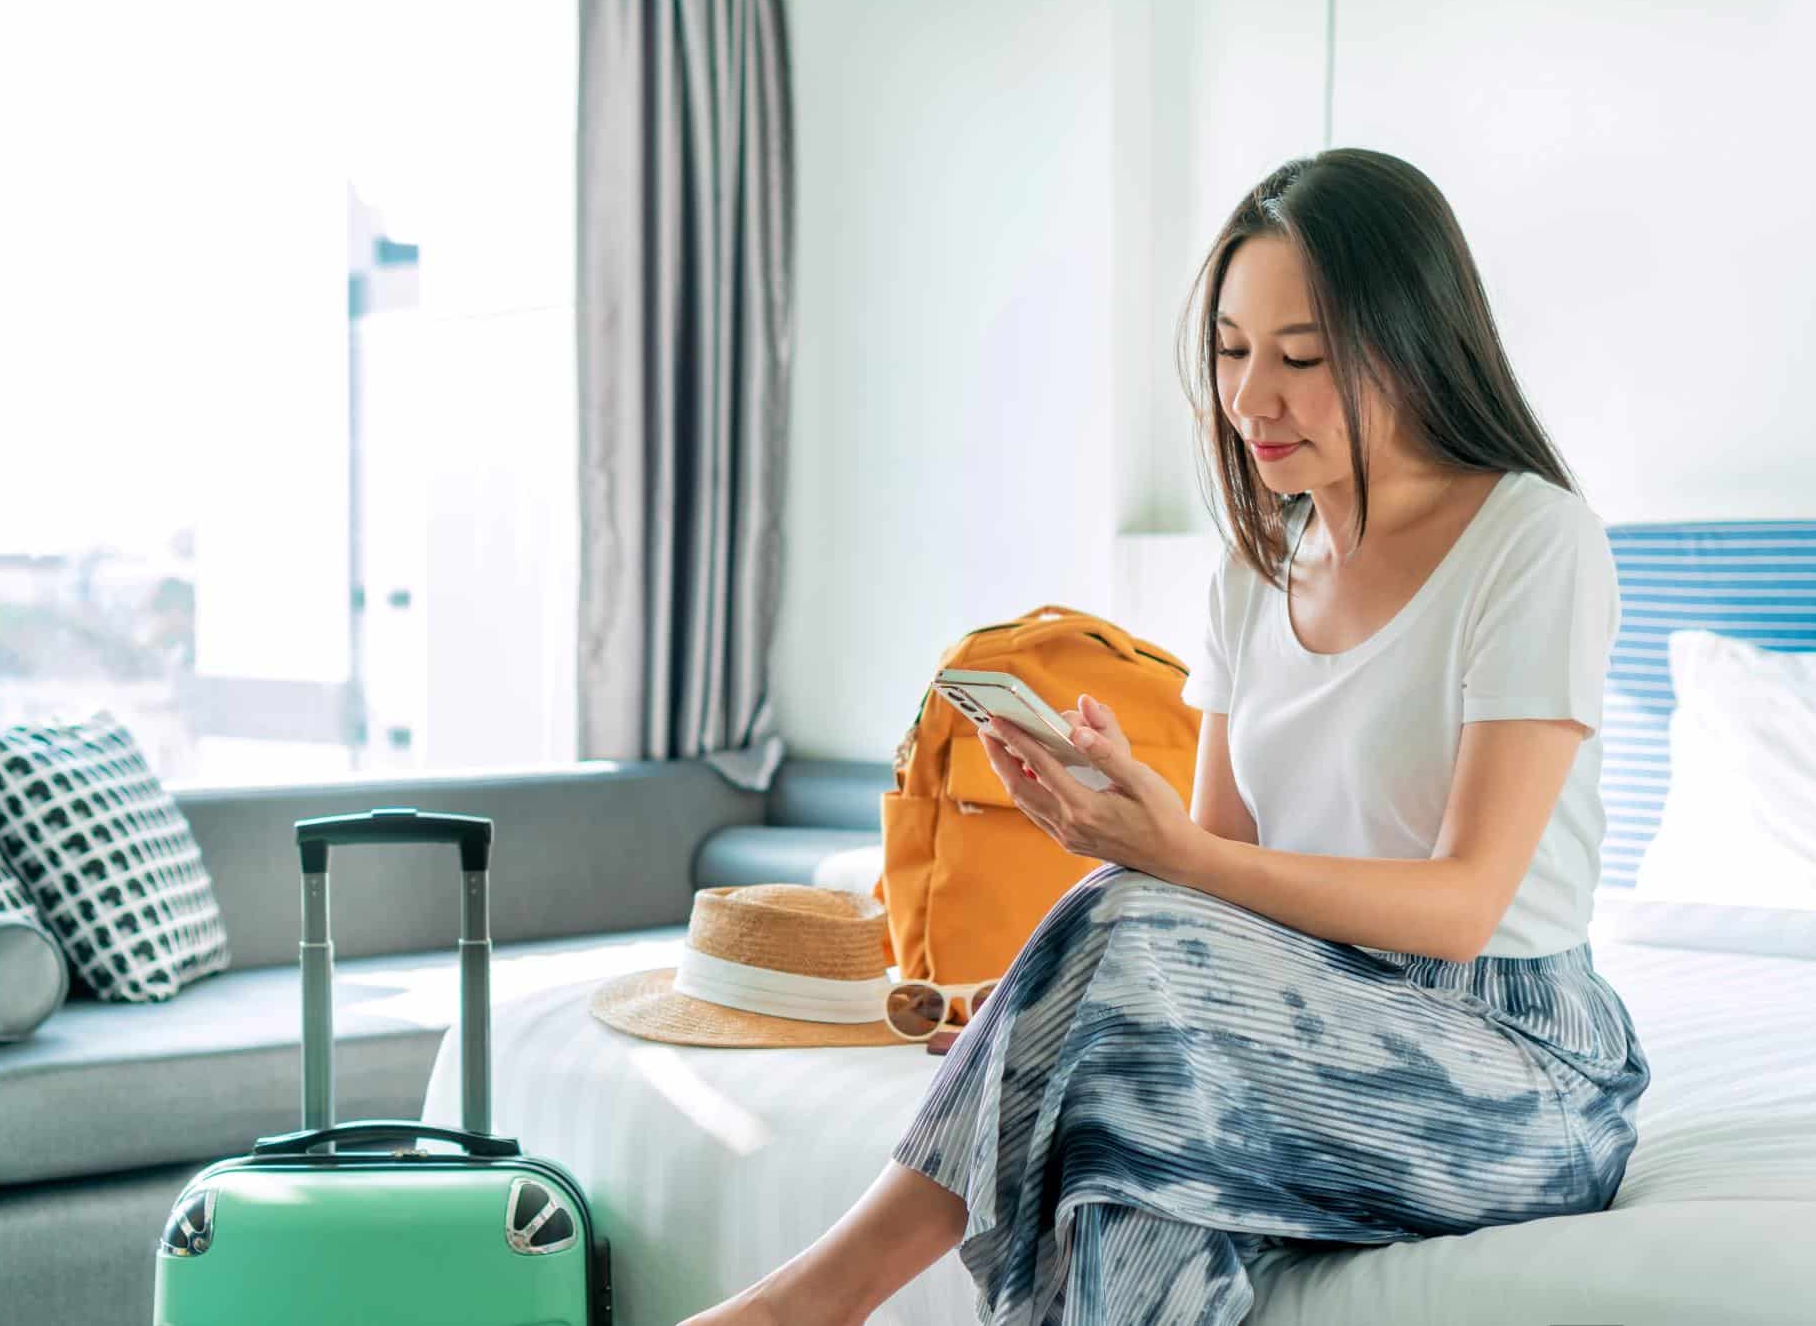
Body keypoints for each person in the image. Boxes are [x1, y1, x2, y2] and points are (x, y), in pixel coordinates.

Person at [681, 147, 1652, 1326]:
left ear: (1410, 341)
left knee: (1122, 966)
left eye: (1299, 358)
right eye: (1232, 354)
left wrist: (1160, 870)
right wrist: (1102, 822)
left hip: (1512, 1065)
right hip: (1293, 1011)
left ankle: (806, 1303)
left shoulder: (1532, 543)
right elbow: (1210, 896)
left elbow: (1460, 903)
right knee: (1124, 1134)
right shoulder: (1255, 573)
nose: (1253, 400)